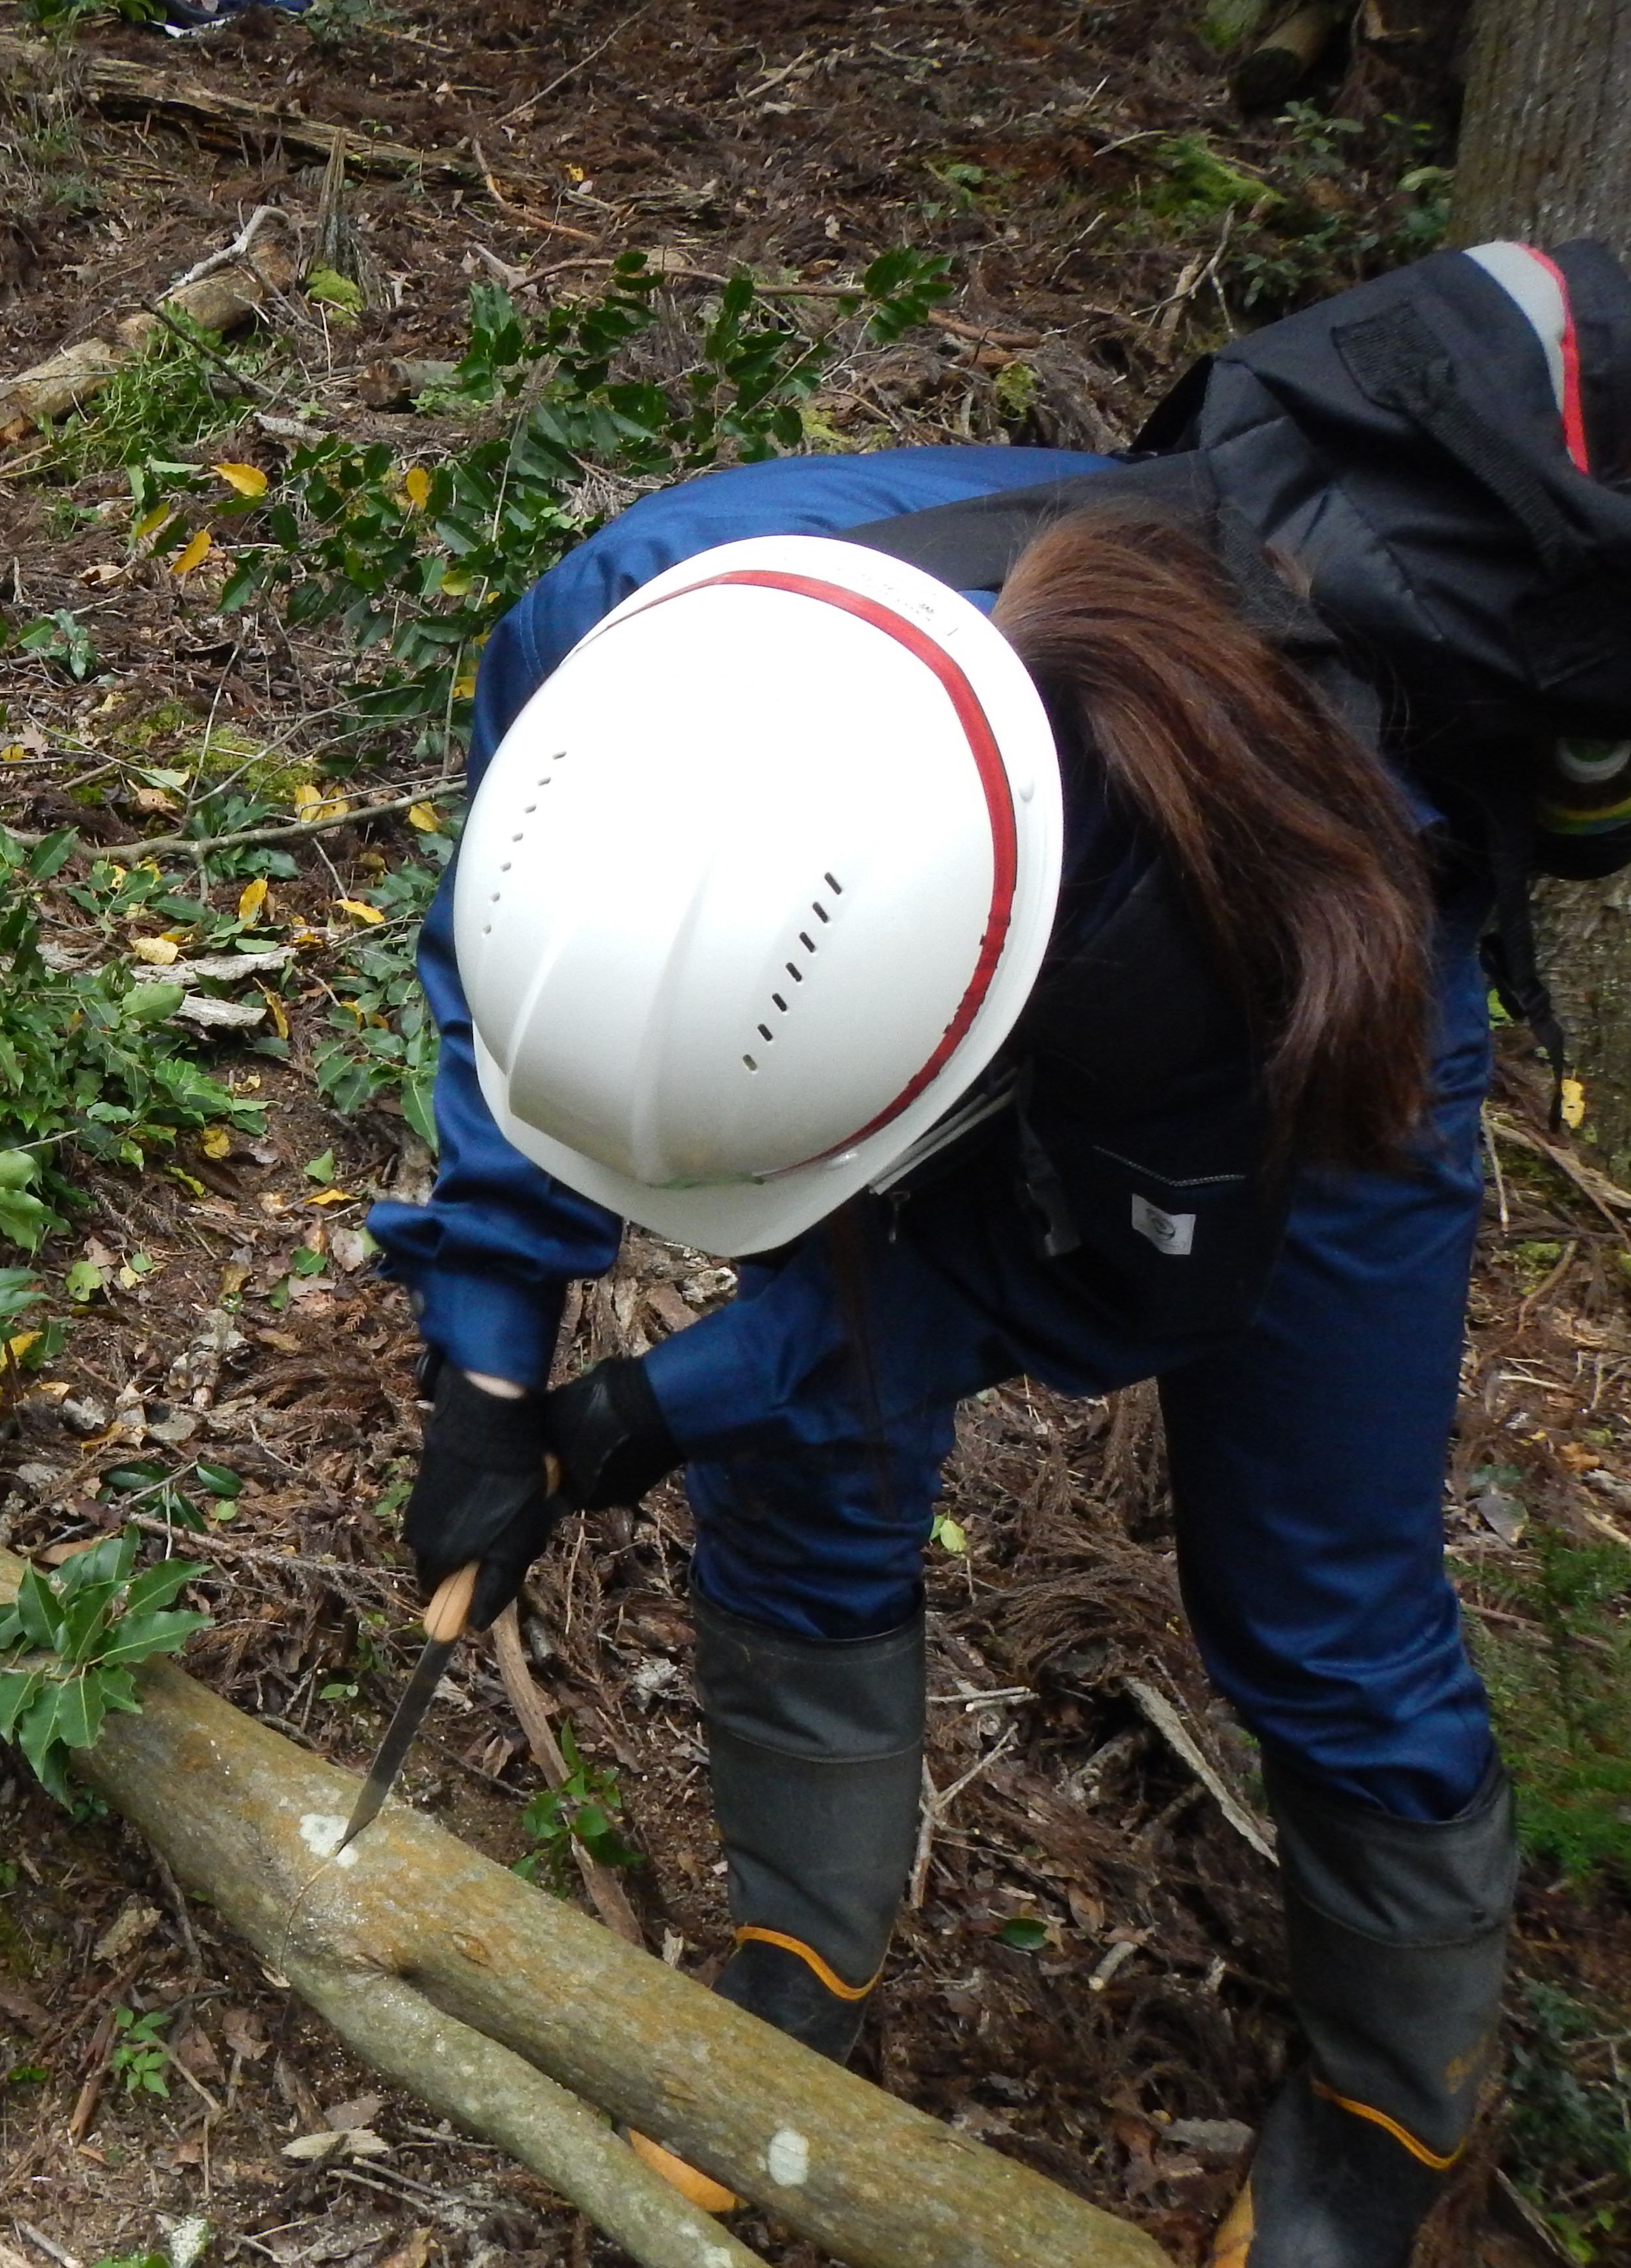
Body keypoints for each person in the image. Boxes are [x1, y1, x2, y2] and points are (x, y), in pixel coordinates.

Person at [367, 441, 1526, 2268]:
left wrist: (650, 1404)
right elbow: (536, 1001)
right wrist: (491, 1364)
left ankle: (1395, 2113)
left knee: (1319, 1591)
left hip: (1311, 988)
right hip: (909, 949)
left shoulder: (1235, 964)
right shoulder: (620, 642)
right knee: (811, 1459)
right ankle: (805, 1966)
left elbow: (1055, 1291)